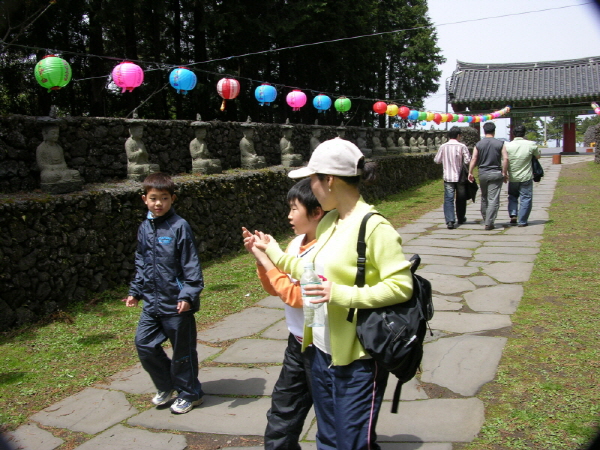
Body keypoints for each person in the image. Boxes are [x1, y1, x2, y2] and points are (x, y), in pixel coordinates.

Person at [252, 138, 414, 450]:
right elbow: (307, 269)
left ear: (329, 180)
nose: (310, 187)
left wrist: (341, 294)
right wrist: (270, 250)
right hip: (319, 351)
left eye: (312, 179)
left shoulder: (373, 226)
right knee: (327, 439)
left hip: (358, 356)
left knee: (352, 443)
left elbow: (401, 286)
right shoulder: (329, 220)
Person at [242, 178, 325, 450]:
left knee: (330, 419)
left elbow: (298, 297)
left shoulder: (325, 250)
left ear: (317, 212)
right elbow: (277, 288)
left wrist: (269, 259)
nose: (289, 215)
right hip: (297, 344)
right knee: (282, 412)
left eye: (294, 209)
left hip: (324, 349)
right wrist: (261, 259)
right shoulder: (294, 244)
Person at [125, 172, 205, 414]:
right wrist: (136, 291)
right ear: (144, 199)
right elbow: (142, 261)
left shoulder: (179, 226)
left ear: (173, 199)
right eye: (153, 198)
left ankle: (191, 393)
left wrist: (187, 295)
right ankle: (167, 385)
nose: (158, 203)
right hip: (152, 303)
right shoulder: (144, 228)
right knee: (144, 344)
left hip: (176, 304)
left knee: (182, 353)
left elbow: (191, 264)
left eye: (164, 198)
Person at [468, 122, 509, 230]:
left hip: (483, 173)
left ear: (484, 131)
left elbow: (474, 159)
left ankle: (486, 218)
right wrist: (504, 173)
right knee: (493, 198)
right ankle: (489, 222)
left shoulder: (479, 144)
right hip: (496, 173)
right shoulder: (500, 143)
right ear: (494, 131)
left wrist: (470, 172)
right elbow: (505, 159)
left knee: (484, 197)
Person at [434, 126, 472, 229]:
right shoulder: (462, 146)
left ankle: (450, 220)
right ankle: (460, 217)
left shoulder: (443, 146)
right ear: (458, 135)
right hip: (460, 177)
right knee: (461, 198)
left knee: (448, 199)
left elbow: (437, 160)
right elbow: (468, 160)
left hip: (448, 176)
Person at [505, 125, 541, 227]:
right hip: (526, 176)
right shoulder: (531, 144)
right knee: (526, 198)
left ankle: (513, 215)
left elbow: (504, 160)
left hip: (513, 177)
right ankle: (522, 220)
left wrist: (504, 173)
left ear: (513, 134)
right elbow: (537, 156)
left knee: (512, 196)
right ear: (524, 133)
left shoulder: (507, 145)